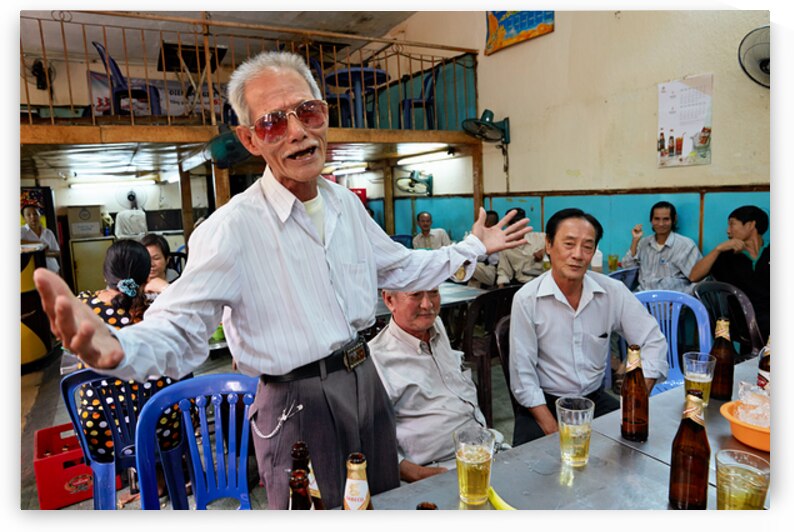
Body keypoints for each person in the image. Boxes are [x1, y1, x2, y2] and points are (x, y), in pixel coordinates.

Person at [33, 50, 532, 510]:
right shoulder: (232, 229)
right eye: (273, 121)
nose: (296, 131)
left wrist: (473, 247)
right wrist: (121, 348)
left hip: (366, 380)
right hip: (296, 401)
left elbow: (402, 267)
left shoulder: (344, 205)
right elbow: (180, 325)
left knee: (382, 502)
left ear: (324, 117)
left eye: (307, 112)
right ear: (250, 139)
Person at [509, 208, 668, 446]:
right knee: (535, 464)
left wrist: (637, 399)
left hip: (594, 402)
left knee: (638, 448)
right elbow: (523, 376)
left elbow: (652, 340)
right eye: (569, 244)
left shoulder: (612, 291)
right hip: (544, 405)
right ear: (549, 245)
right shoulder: (527, 299)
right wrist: (555, 431)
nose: (578, 255)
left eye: (587, 246)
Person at [73, 239, 181, 506]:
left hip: (102, 430)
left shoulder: (81, 307)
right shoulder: (158, 311)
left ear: (105, 273)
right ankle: (170, 480)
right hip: (157, 427)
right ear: (146, 276)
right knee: (177, 396)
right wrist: (166, 289)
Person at [368, 287, 505, 483]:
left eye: (433, 292)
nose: (428, 304)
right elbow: (371, 444)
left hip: (486, 449)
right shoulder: (376, 359)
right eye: (415, 295)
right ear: (389, 300)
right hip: (439, 469)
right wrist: (421, 474)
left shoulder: (436, 326)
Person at [690, 205, 770, 340]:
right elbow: (694, 276)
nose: (728, 231)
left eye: (732, 224)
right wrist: (718, 249)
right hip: (744, 320)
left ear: (750, 225)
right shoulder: (726, 256)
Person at [621, 201, 702, 294]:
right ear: (651, 220)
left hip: (672, 301)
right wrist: (635, 241)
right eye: (656, 219)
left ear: (674, 219)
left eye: (666, 219)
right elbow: (627, 268)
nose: (661, 224)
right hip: (642, 298)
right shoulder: (644, 243)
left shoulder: (685, 246)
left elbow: (700, 279)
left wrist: (681, 298)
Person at [496, 208, 547, 287]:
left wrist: (544, 251)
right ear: (507, 225)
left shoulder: (541, 238)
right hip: (523, 284)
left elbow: (559, 244)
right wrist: (501, 288)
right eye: (513, 223)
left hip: (545, 281)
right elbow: (504, 272)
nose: (517, 227)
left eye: (520, 223)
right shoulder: (505, 246)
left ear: (525, 223)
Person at [20, 203, 61, 274]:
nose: (32, 217)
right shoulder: (21, 231)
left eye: (35, 214)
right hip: (31, 273)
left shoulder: (48, 232)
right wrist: (40, 245)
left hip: (52, 270)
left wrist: (41, 253)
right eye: (28, 215)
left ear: (40, 215)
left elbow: (57, 252)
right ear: (24, 218)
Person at [140, 233, 178, 299]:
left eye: (156, 258)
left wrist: (165, 287)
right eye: (146, 258)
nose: (151, 264)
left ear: (167, 260)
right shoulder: (133, 284)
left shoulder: (177, 281)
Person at [469, 209, 500, 287]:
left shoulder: (498, 237)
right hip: (481, 269)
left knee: (466, 265)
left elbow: (492, 261)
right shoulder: (479, 235)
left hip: (492, 271)